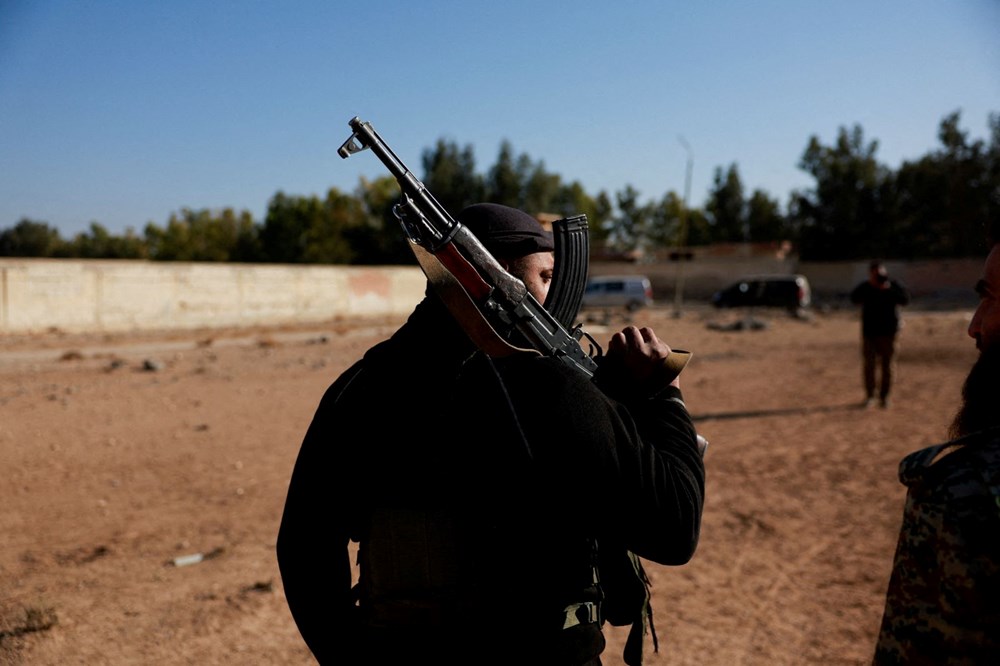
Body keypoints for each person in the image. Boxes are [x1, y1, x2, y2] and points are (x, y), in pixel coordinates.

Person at [275, 202, 706, 666]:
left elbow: (304, 550)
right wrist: (665, 398)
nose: (560, 296)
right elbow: (675, 527)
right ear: (495, 278)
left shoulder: (359, 388)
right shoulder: (554, 388)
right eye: (546, 277)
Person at [872, 222, 1000, 664]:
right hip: (870, 337)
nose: (974, 325)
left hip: (888, 337)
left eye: (990, 297)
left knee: (885, 372)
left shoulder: (962, 492)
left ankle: (883, 395)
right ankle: (874, 395)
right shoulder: (869, 293)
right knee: (873, 372)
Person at [850, 260, 911, 408]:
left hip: (889, 333)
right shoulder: (866, 286)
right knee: (869, 366)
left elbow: (905, 300)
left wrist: (887, 289)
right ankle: (870, 396)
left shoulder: (893, 285)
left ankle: (885, 397)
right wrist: (871, 286)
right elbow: (853, 298)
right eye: (875, 274)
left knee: (887, 366)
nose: (879, 276)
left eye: (880, 273)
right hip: (869, 333)